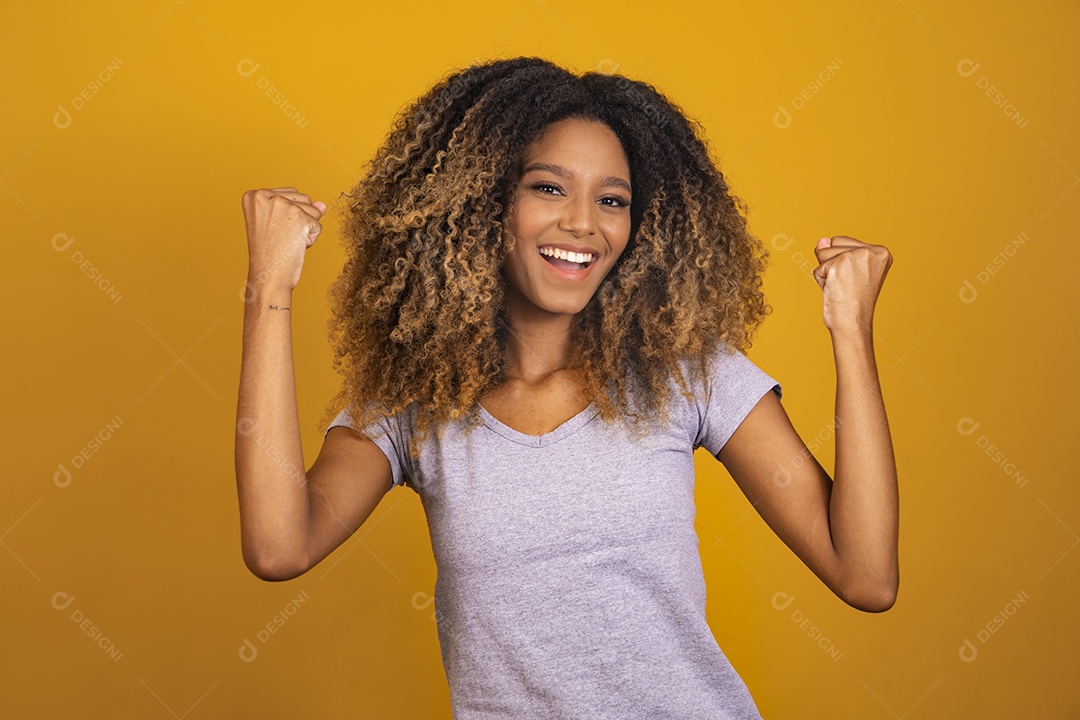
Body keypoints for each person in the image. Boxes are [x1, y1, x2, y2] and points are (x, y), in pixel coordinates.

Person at [235, 56, 898, 719]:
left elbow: (864, 574)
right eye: (548, 188)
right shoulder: (417, 403)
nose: (584, 223)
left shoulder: (687, 375)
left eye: (612, 200)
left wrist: (851, 331)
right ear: (482, 199)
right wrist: (268, 288)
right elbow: (279, 547)